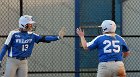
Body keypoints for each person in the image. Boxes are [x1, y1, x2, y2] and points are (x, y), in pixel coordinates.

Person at [0, 15, 65, 77]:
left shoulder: (32, 34)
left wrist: (57, 37)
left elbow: (44, 38)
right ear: (23, 24)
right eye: (29, 24)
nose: (31, 26)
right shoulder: (13, 33)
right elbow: (5, 47)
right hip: (12, 60)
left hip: (23, 62)